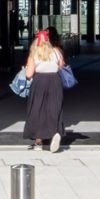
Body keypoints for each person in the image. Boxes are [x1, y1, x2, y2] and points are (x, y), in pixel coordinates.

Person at [17, 25, 67, 153]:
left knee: (37, 109)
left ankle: (38, 141)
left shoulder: (34, 54)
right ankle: (54, 133)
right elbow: (62, 66)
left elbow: (28, 74)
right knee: (54, 108)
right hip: (55, 82)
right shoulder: (56, 51)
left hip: (39, 82)